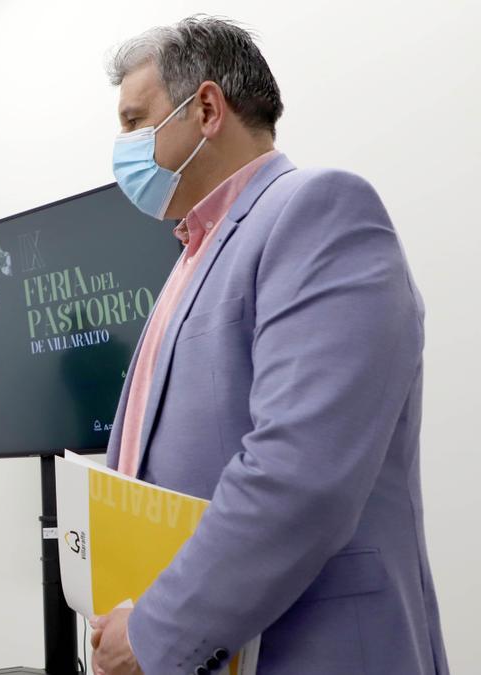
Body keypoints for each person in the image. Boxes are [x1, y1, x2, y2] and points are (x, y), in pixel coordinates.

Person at [89, 16, 448, 675]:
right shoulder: (189, 258)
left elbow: (298, 472)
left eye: (135, 121)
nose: (123, 147)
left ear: (205, 108)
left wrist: (159, 628)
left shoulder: (320, 210)